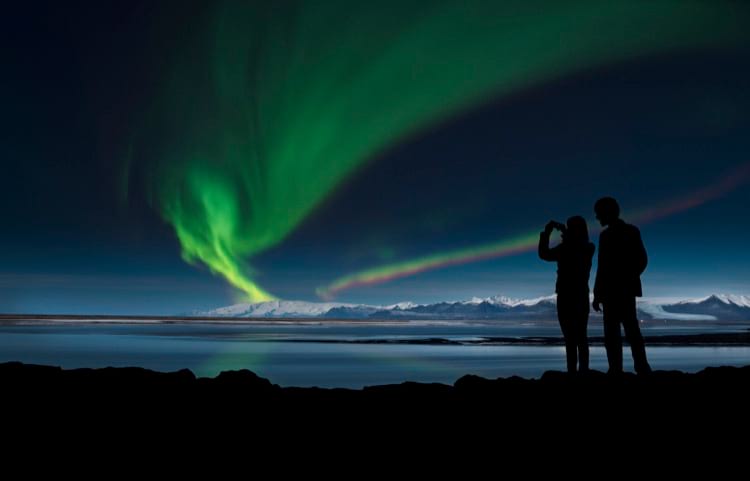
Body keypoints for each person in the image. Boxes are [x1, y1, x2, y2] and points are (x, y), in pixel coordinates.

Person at [592, 197, 652, 374]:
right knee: (627, 332)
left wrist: (601, 292)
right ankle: (637, 368)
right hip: (620, 291)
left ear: (607, 213)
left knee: (621, 333)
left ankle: (621, 369)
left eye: (599, 214)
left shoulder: (619, 234)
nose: (597, 217)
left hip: (617, 292)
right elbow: (603, 267)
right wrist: (597, 294)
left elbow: (640, 260)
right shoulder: (625, 232)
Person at [539, 216, 595, 373]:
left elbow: (544, 254)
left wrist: (547, 233)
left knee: (570, 338)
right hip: (581, 295)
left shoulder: (567, 249)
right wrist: (565, 232)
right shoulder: (589, 247)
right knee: (581, 336)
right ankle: (583, 370)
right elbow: (579, 246)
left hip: (565, 296)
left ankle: (572, 372)